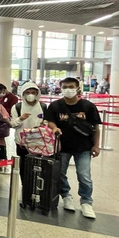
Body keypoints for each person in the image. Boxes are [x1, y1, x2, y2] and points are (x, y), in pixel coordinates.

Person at [45, 77, 101, 219]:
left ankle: (86, 202)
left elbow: (96, 128)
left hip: (84, 147)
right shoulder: (55, 106)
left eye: (71, 87)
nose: (68, 90)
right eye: (65, 87)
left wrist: (96, 145)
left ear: (77, 88)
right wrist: (54, 127)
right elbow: (50, 121)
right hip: (62, 146)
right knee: (60, 173)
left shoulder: (88, 106)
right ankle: (66, 196)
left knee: (84, 175)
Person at [10, 82, 47, 185]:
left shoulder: (43, 106)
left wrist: (43, 125)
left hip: (39, 143)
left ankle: (37, 187)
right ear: (23, 94)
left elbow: (47, 122)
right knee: (24, 168)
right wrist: (20, 119)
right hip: (22, 143)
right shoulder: (17, 107)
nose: (30, 95)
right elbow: (12, 124)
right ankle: (25, 187)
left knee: (38, 167)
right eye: (28, 92)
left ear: (37, 94)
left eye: (33, 92)